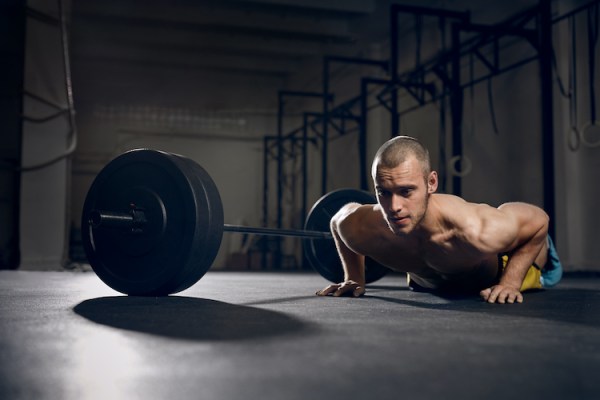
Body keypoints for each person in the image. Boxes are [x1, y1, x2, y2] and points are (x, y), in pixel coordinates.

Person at [316, 136, 563, 304]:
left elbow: (539, 220)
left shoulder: (477, 230)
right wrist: (354, 277)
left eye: (406, 191)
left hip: (499, 265)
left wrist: (511, 281)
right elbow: (338, 220)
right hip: (432, 279)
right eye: (384, 192)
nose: (394, 207)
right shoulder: (360, 227)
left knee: (531, 241)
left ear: (431, 183)